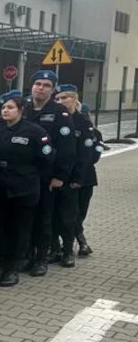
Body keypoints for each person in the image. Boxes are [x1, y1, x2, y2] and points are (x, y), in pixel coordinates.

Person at [0, 91, 53, 286]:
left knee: (19, 230)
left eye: (10, 107)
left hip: (23, 189)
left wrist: (30, 177)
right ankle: (0, 266)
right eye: (3, 107)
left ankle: (12, 269)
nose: (5, 111)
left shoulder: (35, 132)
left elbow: (46, 161)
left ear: (21, 110)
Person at [23, 70, 75, 275]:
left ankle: (41, 259)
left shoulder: (60, 113)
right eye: (38, 84)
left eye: (46, 85)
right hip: (25, 174)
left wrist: (60, 176)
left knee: (44, 218)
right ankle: (25, 254)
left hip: (46, 175)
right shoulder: (24, 108)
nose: (41, 88)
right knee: (25, 217)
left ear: (52, 90)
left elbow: (67, 148)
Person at [52, 84, 95, 266]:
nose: (60, 101)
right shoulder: (54, 119)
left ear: (74, 99)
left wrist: (78, 178)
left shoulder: (82, 122)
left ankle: (68, 251)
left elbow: (85, 154)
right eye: (58, 99)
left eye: (64, 98)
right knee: (52, 215)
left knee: (69, 217)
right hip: (54, 176)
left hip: (72, 179)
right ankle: (54, 248)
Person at [75, 104, 103, 256]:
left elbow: (95, 156)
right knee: (71, 212)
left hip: (87, 178)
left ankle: (80, 239)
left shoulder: (95, 134)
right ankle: (81, 241)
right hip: (71, 177)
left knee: (81, 212)